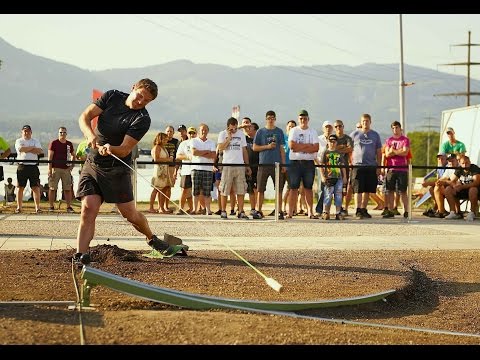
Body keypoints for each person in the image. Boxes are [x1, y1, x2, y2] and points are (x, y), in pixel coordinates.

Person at [74, 78, 176, 265]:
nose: (140, 102)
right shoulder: (111, 96)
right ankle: (81, 255)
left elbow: (125, 149)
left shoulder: (142, 119)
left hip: (117, 169)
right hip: (93, 164)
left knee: (130, 214)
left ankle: (151, 238)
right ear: (133, 88)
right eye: (139, 96)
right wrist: (90, 135)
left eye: (146, 101)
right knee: (88, 209)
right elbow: (85, 117)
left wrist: (110, 148)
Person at [252, 110, 286, 219]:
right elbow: (255, 147)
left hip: (276, 164)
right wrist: (267, 147)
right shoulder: (260, 132)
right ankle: (258, 210)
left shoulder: (279, 131)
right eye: (269, 118)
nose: (271, 120)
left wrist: (283, 164)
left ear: (275, 119)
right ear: (266, 119)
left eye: (272, 118)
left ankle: (279, 210)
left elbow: (282, 149)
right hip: (263, 163)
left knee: (279, 189)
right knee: (260, 188)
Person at [287, 109, 319, 219]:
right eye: (301, 118)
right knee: (293, 188)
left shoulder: (313, 131)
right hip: (295, 162)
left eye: (305, 118)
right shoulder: (294, 131)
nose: (303, 120)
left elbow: (316, 148)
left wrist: (300, 146)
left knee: (308, 188)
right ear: (298, 119)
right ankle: (290, 212)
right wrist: (307, 146)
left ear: (308, 119)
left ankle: (310, 211)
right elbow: (292, 146)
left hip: (308, 163)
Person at [217, 117, 251, 219]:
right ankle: (223, 210)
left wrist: (247, 165)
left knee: (241, 189)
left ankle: (240, 211)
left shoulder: (241, 134)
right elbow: (221, 148)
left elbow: (244, 150)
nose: (234, 130)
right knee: (225, 189)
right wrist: (229, 137)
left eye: (235, 128)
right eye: (232, 129)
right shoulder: (222, 134)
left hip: (240, 164)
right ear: (228, 127)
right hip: (227, 164)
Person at [349, 114, 382, 219]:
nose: (365, 123)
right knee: (358, 189)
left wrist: (379, 166)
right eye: (363, 121)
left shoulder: (375, 135)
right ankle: (358, 209)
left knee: (368, 189)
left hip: (371, 165)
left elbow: (379, 151)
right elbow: (349, 149)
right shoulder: (354, 134)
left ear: (370, 122)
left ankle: (364, 209)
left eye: (367, 121)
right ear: (361, 122)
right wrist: (350, 162)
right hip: (358, 166)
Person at [382, 121, 410, 218]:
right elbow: (387, 154)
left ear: (400, 128)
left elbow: (405, 153)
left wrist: (393, 150)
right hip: (391, 168)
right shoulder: (388, 140)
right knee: (390, 190)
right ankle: (390, 210)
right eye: (393, 128)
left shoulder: (405, 140)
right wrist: (398, 151)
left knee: (403, 191)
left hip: (402, 169)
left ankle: (406, 211)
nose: (395, 130)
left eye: (397, 127)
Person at [14, 125, 43, 213]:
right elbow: (21, 149)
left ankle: (37, 208)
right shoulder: (19, 141)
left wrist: (27, 149)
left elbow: (39, 151)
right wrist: (32, 148)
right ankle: (19, 207)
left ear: (31, 132)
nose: (26, 133)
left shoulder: (35, 141)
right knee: (20, 187)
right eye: (25, 131)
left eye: (28, 131)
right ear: (22, 132)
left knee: (35, 187)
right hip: (22, 166)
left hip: (33, 166)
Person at [47, 126, 75, 213]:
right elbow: (50, 157)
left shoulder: (69, 144)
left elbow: (73, 154)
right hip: (55, 168)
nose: (62, 134)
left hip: (66, 169)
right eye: (61, 132)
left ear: (66, 134)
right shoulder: (54, 143)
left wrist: (72, 165)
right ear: (58, 133)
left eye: (64, 132)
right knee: (52, 188)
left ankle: (68, 207)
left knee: (67, 188)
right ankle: (51, 206)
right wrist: (49, 169)